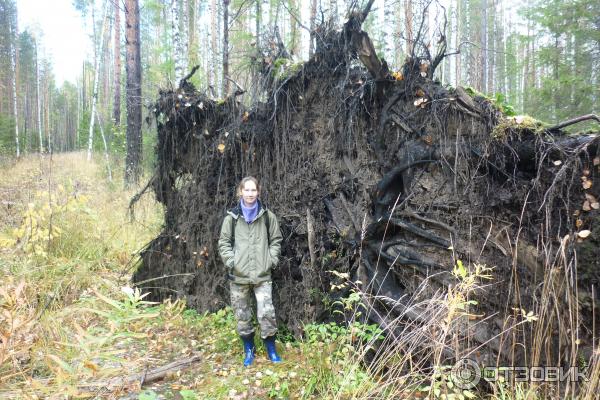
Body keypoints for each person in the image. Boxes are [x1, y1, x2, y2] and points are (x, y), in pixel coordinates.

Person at [218, 176, 283, 367]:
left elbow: (276, 240)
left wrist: (271, 260)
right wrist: (232, 262)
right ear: (240, 192)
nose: (250, 194)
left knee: (267, 312)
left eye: (253, 190)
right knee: (242, 314)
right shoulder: (232, 217)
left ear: (258, 192)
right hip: (238, 276)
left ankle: (271, 349)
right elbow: (223, 243)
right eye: (246, 190)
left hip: (262, 276)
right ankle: (249, 350)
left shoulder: (267, 216)